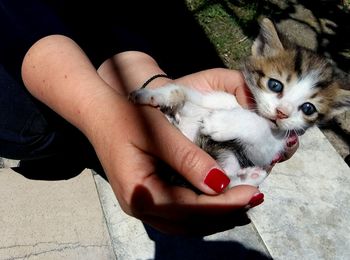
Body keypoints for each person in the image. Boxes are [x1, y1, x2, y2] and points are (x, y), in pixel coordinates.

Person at [1, 1, 298, 235]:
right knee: (31, 127)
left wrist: (146, 78)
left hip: (119, 26)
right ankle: (87, 141)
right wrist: (97, 113)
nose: (284, 111)